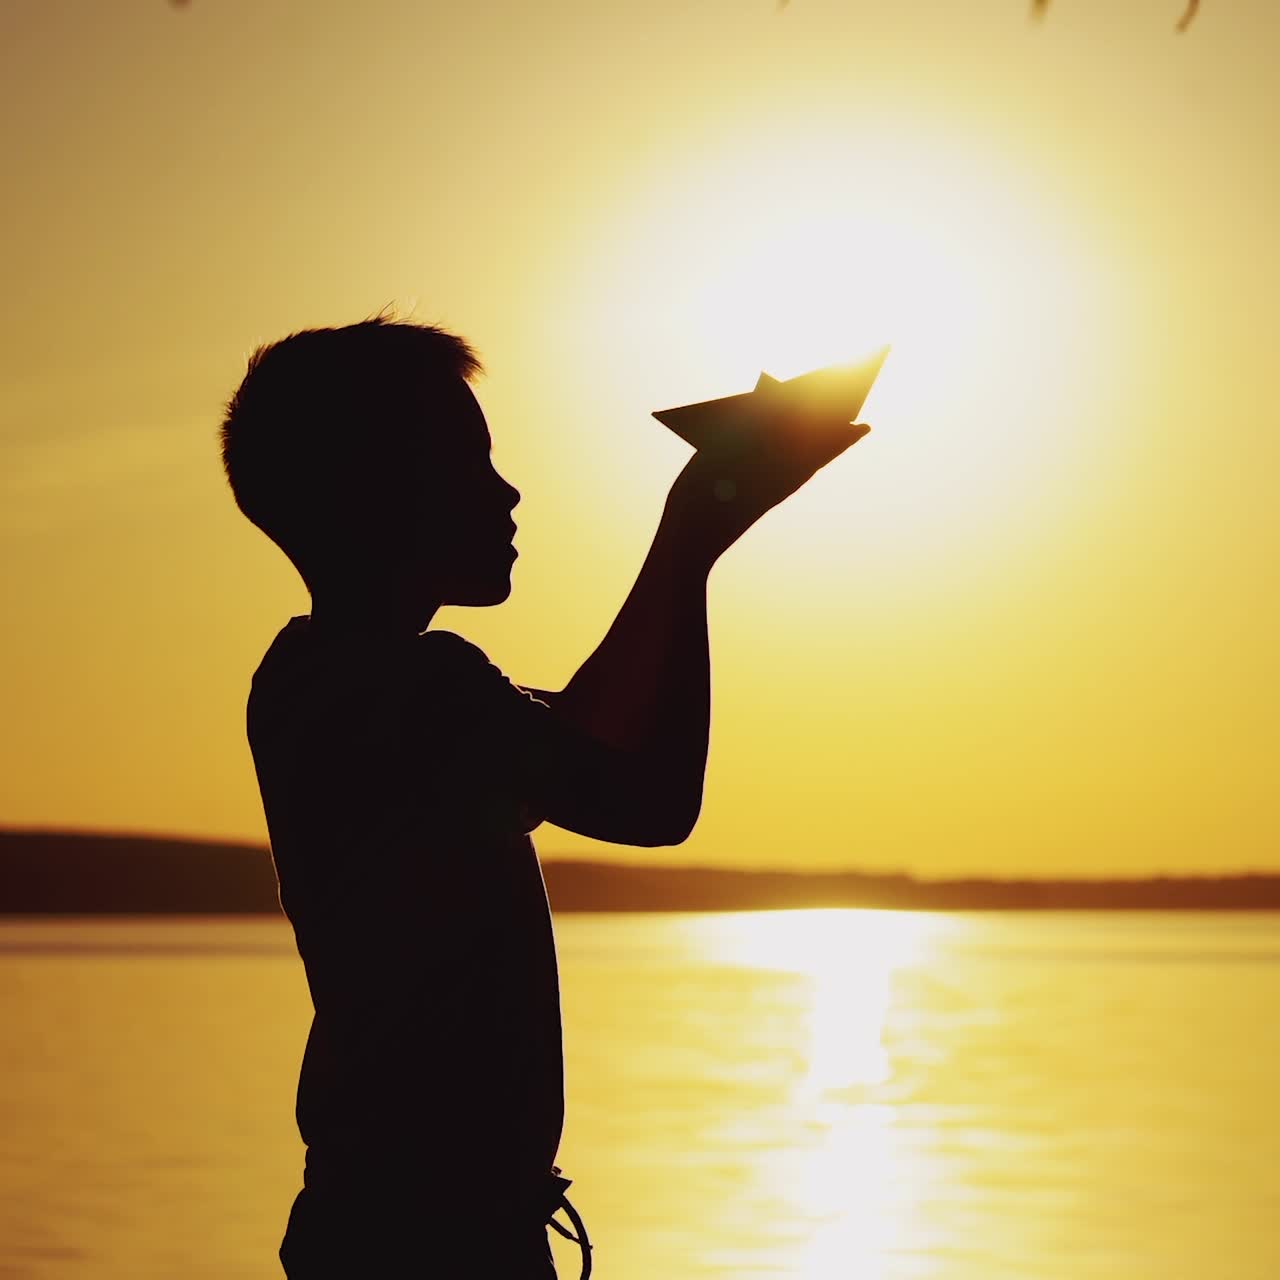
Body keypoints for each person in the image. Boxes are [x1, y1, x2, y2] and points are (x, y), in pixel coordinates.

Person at [219, 314, 869, 1276]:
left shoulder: (316, 679)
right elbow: (650, 800)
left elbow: (575, 733)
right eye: (470, 462)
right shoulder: (419, 692)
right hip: (431, 1241)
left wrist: (692, 528)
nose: (507, 490)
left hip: (382, 1219)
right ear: (382, 492)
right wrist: (691, 542)